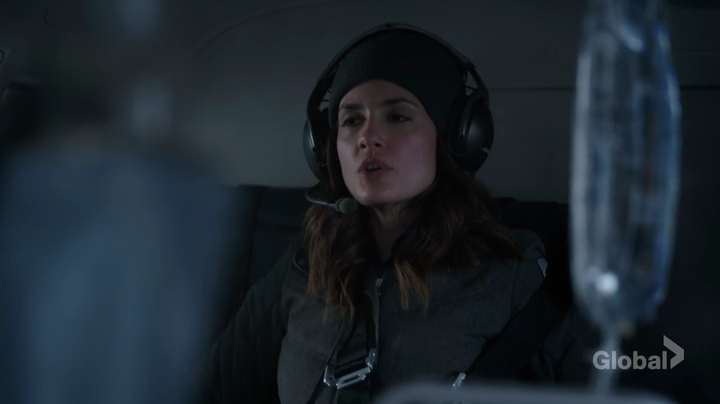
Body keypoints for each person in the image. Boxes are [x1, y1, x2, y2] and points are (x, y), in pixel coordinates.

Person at [192, 23, 596, 404]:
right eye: (352, 120)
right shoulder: (304, 266)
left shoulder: (513, 275)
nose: (367, 137)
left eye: (397, 116)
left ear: (456, 138)